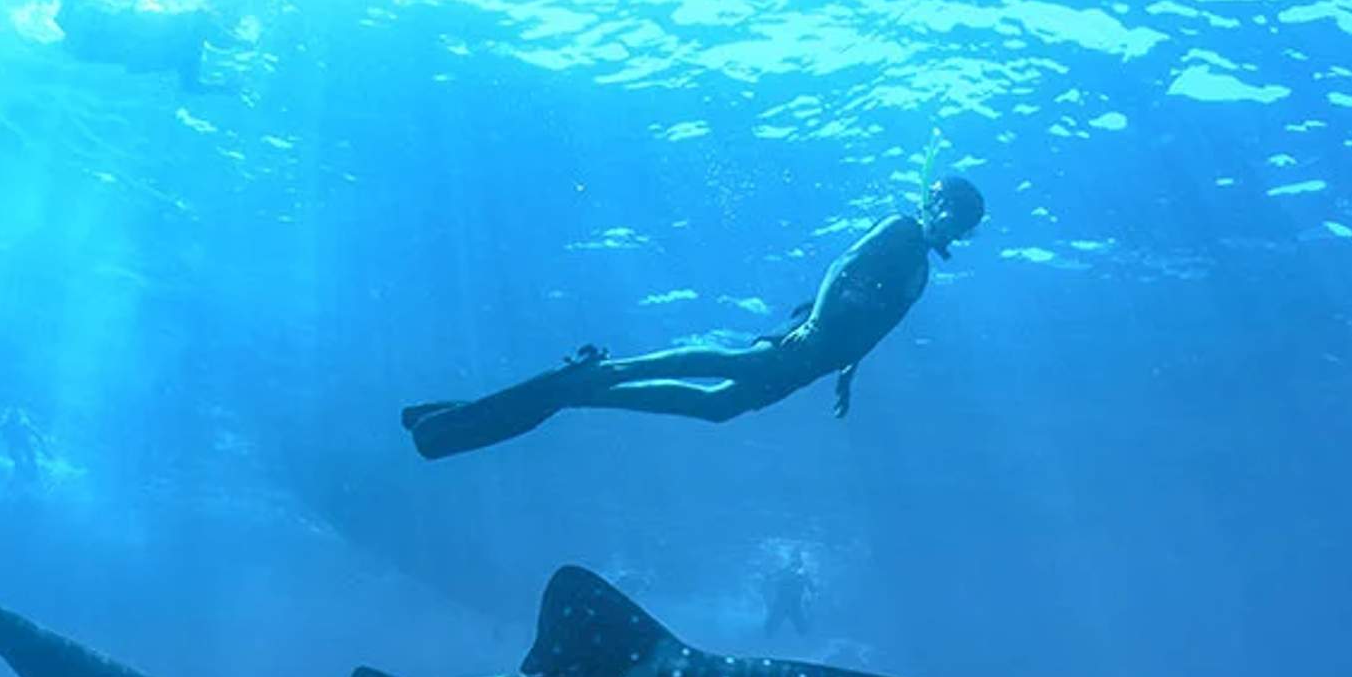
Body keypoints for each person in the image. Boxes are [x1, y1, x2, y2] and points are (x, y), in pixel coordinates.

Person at [403, 176, 986, 460]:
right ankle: (606, 373)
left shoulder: (921, 270)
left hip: (817, 363)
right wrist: (817, 324)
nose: (951, 228)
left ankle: (591, 389)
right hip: (804, 344)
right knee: (724, 362)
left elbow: (878, 326)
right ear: (938, 207)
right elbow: (841, 265)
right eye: (951, 216)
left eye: (960, 226)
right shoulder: (901, 229)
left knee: (718, 407)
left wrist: (848, 373)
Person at [56, 0, 227, 93]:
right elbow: (191, 86)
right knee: (73, 28)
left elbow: (190, 86)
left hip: (111, 45)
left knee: (72, 26)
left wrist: (222, 89)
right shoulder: (191, 47)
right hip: (110, 45)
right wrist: (222, 89)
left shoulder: (190, 46)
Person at [762, 555, 816, 638]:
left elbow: (810, 585)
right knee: (775, 619)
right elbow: (772, 576)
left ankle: (804, 634)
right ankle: (767, 634)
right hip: (783, 600)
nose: (796, 568)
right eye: (795, 565)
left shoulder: (802, 574)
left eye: (798, 566)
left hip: (792, 602)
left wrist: (813, 591)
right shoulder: (786, 572)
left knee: (798, 621)